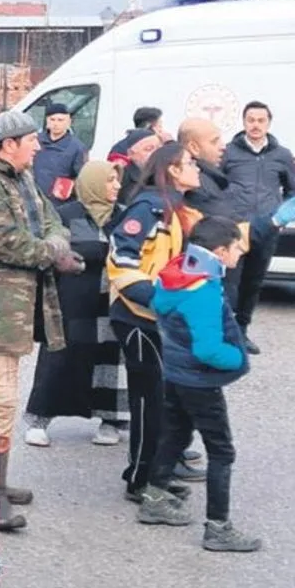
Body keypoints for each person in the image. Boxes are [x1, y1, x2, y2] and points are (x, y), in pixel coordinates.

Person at [0, 110, 83, 532]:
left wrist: (55, 242)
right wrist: (54, 253)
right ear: (8, 144)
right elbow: (2, 240)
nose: (39, 146)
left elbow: (52, 221)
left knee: (3, 398)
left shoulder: (22, 177)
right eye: (32, 140)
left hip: (19, 307)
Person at [136, 216, 258, 552]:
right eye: (236, 248)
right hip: (199, 381)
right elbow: (207, 348)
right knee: (222, 450)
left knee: (174, 434)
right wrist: (236, 358)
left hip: (175, 374)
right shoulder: (203, 290)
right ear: (219, 252)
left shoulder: (178, 273)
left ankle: (155, 500)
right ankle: (218, 528)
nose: (239, 254)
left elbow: (159, 306)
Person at [107, 142, 203, 502]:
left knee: (161, 398)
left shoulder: (176, 207)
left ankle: (152, 472)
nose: (198, 169)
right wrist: (159, 299)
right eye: (191, 163)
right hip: (138, 318)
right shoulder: (149, 207)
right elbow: (121, 258)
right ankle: (141, 480)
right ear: (173, 170)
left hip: (158, 318)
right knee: (150, 400)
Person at [25, 161, 129, 447]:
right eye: (109, 181)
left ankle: (111, 420)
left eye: (117, 181)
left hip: (113, 303)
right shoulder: (67, 215)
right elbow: (59, 252)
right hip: (73, 302)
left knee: (111, 359)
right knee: (60, 359)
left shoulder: (124, 216)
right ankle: (39, 418)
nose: (117, 186)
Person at [221, 101, 294, 355]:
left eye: (261, 120)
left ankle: (242, 332)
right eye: (250, 119)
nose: (255, 125)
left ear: (269, 123)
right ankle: (226, 333)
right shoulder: (228, 153)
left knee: (253, 283)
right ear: (243, 122)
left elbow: (292, 191)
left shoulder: (282, 155)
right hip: (233, 229)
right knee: (231, 283)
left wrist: (280, 215)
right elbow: (216, 185)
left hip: (266, 229)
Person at [33, 103, 87, 206]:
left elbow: (83, 178)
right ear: (47, 121)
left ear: (69, 122)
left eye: (60, 120)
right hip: (34, 200)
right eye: (52, 119)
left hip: (60, 204)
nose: (56, 124)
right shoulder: (35, 141)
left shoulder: (77, 148)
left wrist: (70, 186)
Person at [113, 129, 164, 207]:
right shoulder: (123, 178)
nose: (156, 153)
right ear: (130, 153)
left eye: (159, 148)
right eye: (149, 149)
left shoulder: (162, 173)